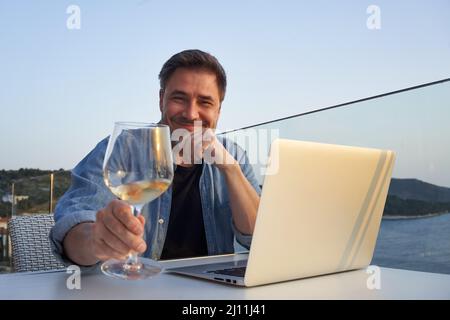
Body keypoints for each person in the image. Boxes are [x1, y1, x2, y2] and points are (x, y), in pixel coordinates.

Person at [50, 49, 261, 266]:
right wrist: (95, 240)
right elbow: (73, 223)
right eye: (179, 98)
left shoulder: (233, 155)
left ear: (218, 110)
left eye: (205, 102)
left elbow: (259, 238)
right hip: (135, 289)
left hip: (213, 288)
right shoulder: (124, 148)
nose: (191, 113)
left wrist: (231, 170)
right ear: (162, 100)